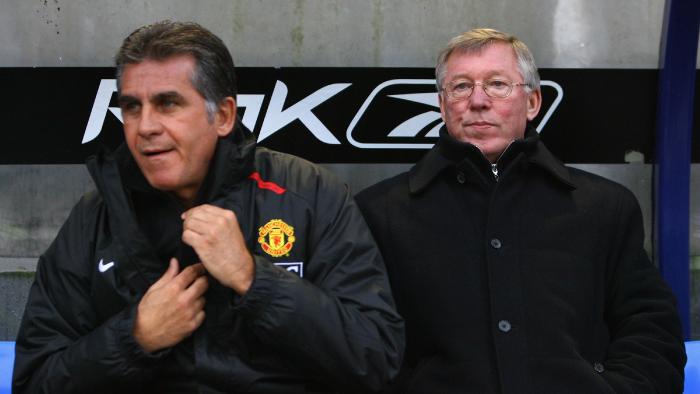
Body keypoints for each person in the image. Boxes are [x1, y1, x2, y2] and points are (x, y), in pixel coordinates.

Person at [13, 21, 403, 393]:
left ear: (223, 116)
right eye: (132, 107)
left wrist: (254, 280)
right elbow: (35, 380)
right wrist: (134, 338)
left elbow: (374, 357)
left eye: (168, 104)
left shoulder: (310, 195)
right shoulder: (95, 217)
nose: (145, 126)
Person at [356, 28, 686, 393]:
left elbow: (651, 330)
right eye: (461, 86)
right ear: (442, 103)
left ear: (532, 102)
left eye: (497, 84)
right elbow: (361, 343)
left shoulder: (604, 206)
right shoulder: (380, 212)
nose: (478, 101)